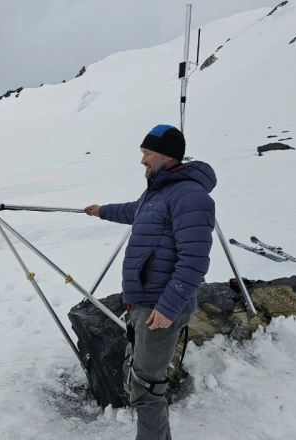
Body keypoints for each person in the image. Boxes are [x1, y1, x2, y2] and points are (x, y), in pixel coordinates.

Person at [85, 124, 216, 440]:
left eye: (147, 154)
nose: (142, 161)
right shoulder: (158, 192)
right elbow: (135, 211)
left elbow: (195, 260)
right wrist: (101, 211)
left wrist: (169, 306)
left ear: (168, 156)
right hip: (145, 301)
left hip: (160, 307)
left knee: (146, 388)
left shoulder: (190, 196)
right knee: (146, 384)